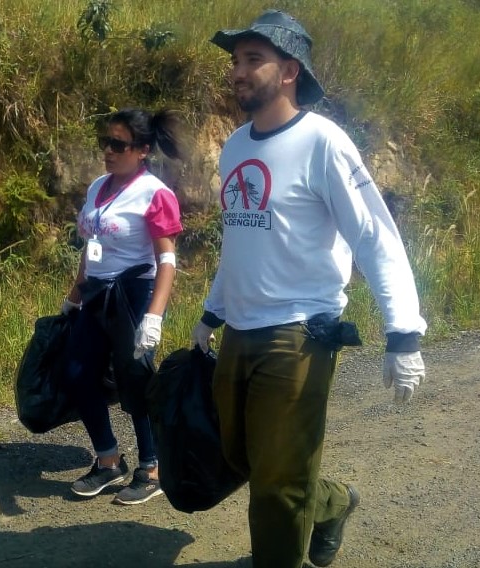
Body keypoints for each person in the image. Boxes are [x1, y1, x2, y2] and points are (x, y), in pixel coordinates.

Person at [191, 10, 428, 568]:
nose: (238, 71)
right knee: (244, 456)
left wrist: (403, 332)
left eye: (253, 60)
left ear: (290, 70)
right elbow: (241, 242)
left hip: (298, 335)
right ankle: (332, 502)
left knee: (275, 487)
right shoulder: (234, 147)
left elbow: (375, 237)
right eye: (235, 61)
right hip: (241, 331)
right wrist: (210, 314)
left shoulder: (324, 142)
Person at [60, 107, 184, 506]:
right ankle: (108, 459)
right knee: (78, 372)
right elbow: (91, 248)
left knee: (135, 381)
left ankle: (151, 467)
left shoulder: (155, 194)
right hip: (98, 293)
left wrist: (154, 317)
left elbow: (167, 260)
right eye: (105, 143)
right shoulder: (98, 187)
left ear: (143, 150)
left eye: (118, 144)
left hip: (134, 293)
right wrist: (73, 297)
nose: (108, 152)